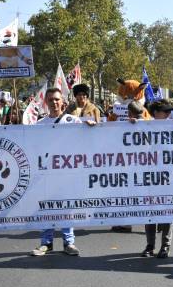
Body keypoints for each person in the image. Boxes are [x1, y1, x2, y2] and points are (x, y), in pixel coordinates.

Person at [30, 87, 96, 256]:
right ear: (46, 102)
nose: (54, 102)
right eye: (51, 99)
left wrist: (89, 127)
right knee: (46, 208)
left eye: (57, 99)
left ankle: (69, 243)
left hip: (67, 174)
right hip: (47, 175)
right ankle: (46, 243)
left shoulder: (73, 121)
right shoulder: (39, 124)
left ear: (63, 102)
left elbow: (90, 139)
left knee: (66, 207)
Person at [141, 99, 173, 258]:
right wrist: (131, 124)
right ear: (155, 113)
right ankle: (150, 245)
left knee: (167, 211)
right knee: (150, 210)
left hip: (168, 176)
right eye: (165, 111)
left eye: (169, 111)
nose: (168, 114)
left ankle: (165, 246)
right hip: (150, 175)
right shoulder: (145, 126)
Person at [111, 101, 146, 233]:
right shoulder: (150, 123)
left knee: (130, 194)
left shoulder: (133, 125)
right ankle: (157, 221)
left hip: (133, 166)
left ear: (130, 113)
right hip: (143, 165)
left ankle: (127, 224)